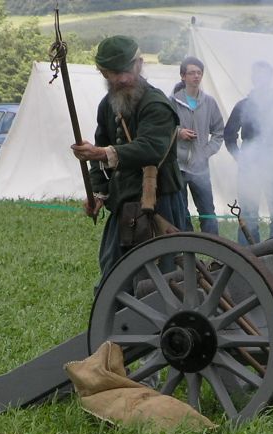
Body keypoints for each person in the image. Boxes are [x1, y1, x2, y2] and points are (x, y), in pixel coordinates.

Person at [71, 35, 186, 286]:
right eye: (114, 73)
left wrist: (102, 153)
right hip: (124, 202)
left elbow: (151, 148)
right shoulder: (107, 105)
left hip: (160, 200)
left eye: (127, 70)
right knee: (114, 273)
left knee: (165, 277)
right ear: (103, 73)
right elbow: (100, 148)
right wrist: (98, 194)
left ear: (139, 63)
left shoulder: (156, 104)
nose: (122, 78)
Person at [224, 60, 273, 244]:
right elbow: (229, 134)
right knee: (248, 213)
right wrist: (240, 158)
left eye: (265, 75)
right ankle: (248, 257)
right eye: (258, 75)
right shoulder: (243, 106)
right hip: (250, 167)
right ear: (253, 78)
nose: (261, 79)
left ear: (270, 78)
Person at [171, 56, 224, 235]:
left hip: (200, 167)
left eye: (199, 73)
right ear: (183, 76)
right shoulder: (172, 101)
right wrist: (179, 133)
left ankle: (215, 252)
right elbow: (162, 129)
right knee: (181, 212)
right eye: (192, 73)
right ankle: (188, 250)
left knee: (208, 212)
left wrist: (205, 152)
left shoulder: (209, 102)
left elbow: (219, 132)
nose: (196, 76)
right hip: (177, 167)